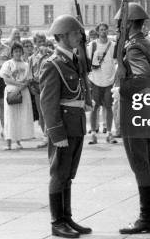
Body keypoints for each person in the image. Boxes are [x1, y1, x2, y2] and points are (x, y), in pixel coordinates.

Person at [40, 14, 92, 238]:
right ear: (61, 36)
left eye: (79, 33)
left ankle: (67, 218)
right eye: (74, 33)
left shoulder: (74, 59)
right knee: (59, 174)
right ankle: (56, 221)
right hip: (63, 126)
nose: (79, 36)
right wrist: (56, 132)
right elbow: (48, 102)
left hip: (76, 123)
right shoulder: (52, 64)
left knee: (68, 174)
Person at [111, 3, 150, 234]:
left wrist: (121, 86)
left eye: (121, 24)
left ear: (129, 24)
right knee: (147, 161)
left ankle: (147, 217)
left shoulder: (134, 48)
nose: (118, 28)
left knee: (140, 163)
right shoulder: (146, 43)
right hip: (145, 109)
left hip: (135, 110)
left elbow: (142, 79)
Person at [87, 23, 117, 145]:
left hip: (109, 81)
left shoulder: (113, 45)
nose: (103, 32)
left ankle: (109, 133)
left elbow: (116, 61)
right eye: (101, 30)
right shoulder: (92, 45)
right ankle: (93, 133)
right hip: (95, 81)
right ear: (98, 32)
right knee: (94, 108)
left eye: (105, 29)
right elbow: (88, 62)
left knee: (109, 107)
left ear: (108, 31)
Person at [0, 42, 34, 150]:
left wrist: (21, 87)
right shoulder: (8, 64)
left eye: (19, 51)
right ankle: (8, 142)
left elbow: (28, 79)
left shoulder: (26, 65)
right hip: (11, 91)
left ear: (22, 52)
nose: (18, 53)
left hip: (23, 92)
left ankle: (18, 141)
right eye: (15, 51)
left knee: (20, 116)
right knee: (10, 116)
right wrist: (18, 85)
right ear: (12, 53)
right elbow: (5, 78)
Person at [29, 33, 52, 148]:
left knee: (49, 111)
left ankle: (49, 135)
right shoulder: (32, 58)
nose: (41, 43)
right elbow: (30, 73)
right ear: (35, 43)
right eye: (39, 41)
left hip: (48, 86)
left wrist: (49, 52)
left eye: (43, 41)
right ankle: (45, 136)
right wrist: (31, 86)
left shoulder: (51, 55)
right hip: (37, 86)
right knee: (41, 113)